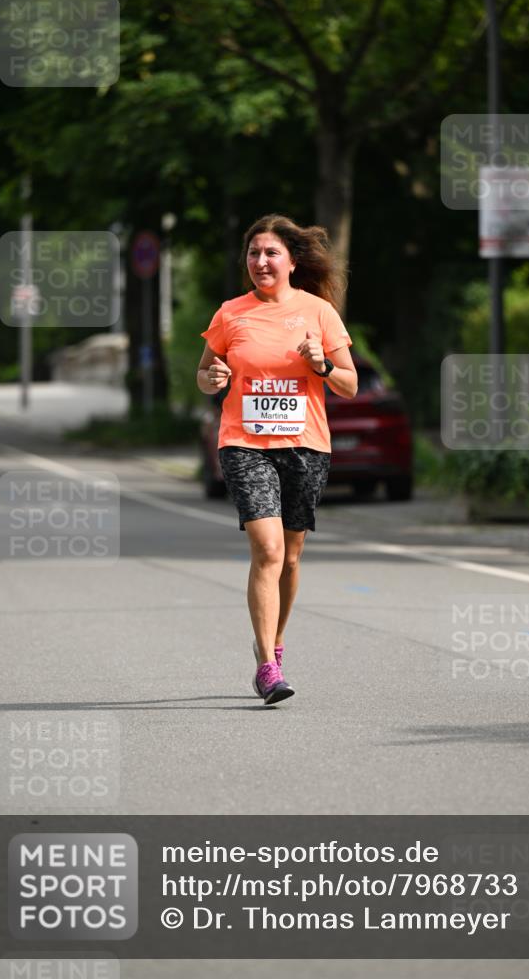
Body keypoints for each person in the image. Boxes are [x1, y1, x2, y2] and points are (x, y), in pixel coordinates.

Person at [196, 213, 358, 705]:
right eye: (253, 253)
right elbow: (204, 375)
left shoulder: (318, 312)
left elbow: (347, 384)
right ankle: (266, 667)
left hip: (304, 445)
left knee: (290, 555)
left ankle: (276, 641)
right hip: (245, 442)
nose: (260, 262)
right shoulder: (231, 314)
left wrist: (321, 364)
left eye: (270, 253)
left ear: (291, 261)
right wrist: (215, 380)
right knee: (266, 551)